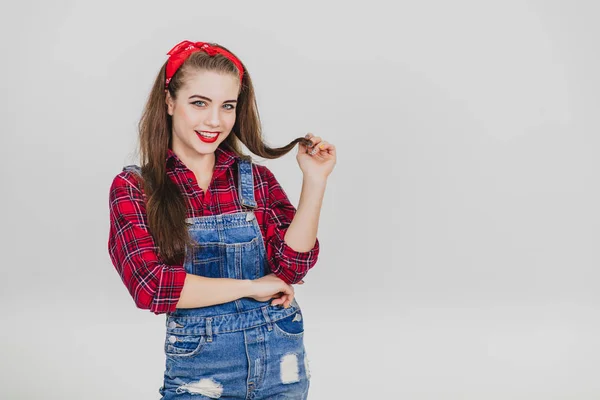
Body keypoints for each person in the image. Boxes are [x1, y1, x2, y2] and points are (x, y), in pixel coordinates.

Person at [107, 40, 336, 399]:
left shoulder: (254, 179)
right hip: (201, 377)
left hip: (280, 361)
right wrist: (251, 287)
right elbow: (152, 286)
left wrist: (315, 180)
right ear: (169, 102)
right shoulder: (136, 188)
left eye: (227, 106)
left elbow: (292, 266)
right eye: (199, 103)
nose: (214, 121)